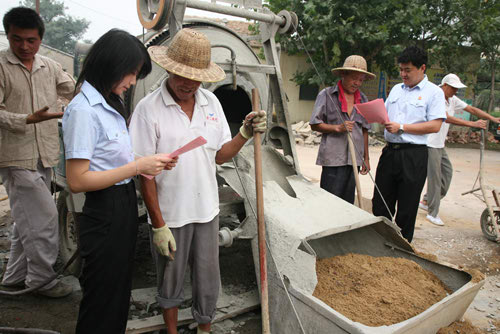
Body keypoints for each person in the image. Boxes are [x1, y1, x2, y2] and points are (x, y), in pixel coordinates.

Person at [129, 28, 266, 334]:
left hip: (207, 211)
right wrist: (158, 224)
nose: (188, 83)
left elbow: (219, 156)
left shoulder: (210, 104)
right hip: (171, 214)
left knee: (207, 278)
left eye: (196, 77)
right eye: (181, 75)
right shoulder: (148, 109)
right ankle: (173, 331)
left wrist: (244, 133)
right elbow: (144, 173)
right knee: (170, 279)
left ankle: (205, 329)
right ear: (168, 68)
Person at [62, 29, 177, 334]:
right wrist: (137, 166)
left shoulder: (110, 103)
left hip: (123, 203)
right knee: (102, 299)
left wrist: (150, 164)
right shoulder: (84, 110)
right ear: (110, 64)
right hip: (104, 211)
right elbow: (77, 180)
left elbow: (114, 161)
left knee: (117, 294)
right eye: (131, 72)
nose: (132, 81)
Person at [0, 7, 75, 297]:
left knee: (25, 220)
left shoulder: (49, 66)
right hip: (16, 156)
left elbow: (75, 90)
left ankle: (15, 276)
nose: (24, 46)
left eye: (31, 40)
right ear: (8, 36)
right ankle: (42, 282)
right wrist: (25, 120)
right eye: (17, 39)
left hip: (45, 154)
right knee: (43, 219)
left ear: (40, 39)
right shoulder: (1, 67)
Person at [371, 46, 446, 243]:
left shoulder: (434, 93)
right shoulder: (397, 89)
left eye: (408, 70)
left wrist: (402, 127)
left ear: (422, 68)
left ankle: (402, 249)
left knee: (407, 206)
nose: (403, 74)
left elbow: (436, 125)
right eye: (401, 70)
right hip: (389, 153)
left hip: (414, 155)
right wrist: (378, 117)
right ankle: (379, 243)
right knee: (380, 203)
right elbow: (385, 115)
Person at [419, 73, 500, 226]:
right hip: (430, 143)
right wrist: (473, 125)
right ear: (445, 86)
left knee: (447, 174)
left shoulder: (452, 99)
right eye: (453, 88)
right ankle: (432, 213)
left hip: (440, 144)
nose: (456, 91)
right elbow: (445, 117)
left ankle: (426, 201)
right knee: (435, 180)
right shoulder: (435, 95)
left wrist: (492, 118)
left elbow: (472, 109)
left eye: (457, 88)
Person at [310, 55, 374, 204]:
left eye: (361, 80)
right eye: (354, 78)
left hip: (354, 160)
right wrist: (337, 128)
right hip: (333, 158)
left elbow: (365, 129)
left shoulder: (363, 99)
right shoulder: (327, 95)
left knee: (347, 202)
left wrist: (366, 158)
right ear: (343, 75)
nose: (357, 83)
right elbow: (314, 124)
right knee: (329, 201)